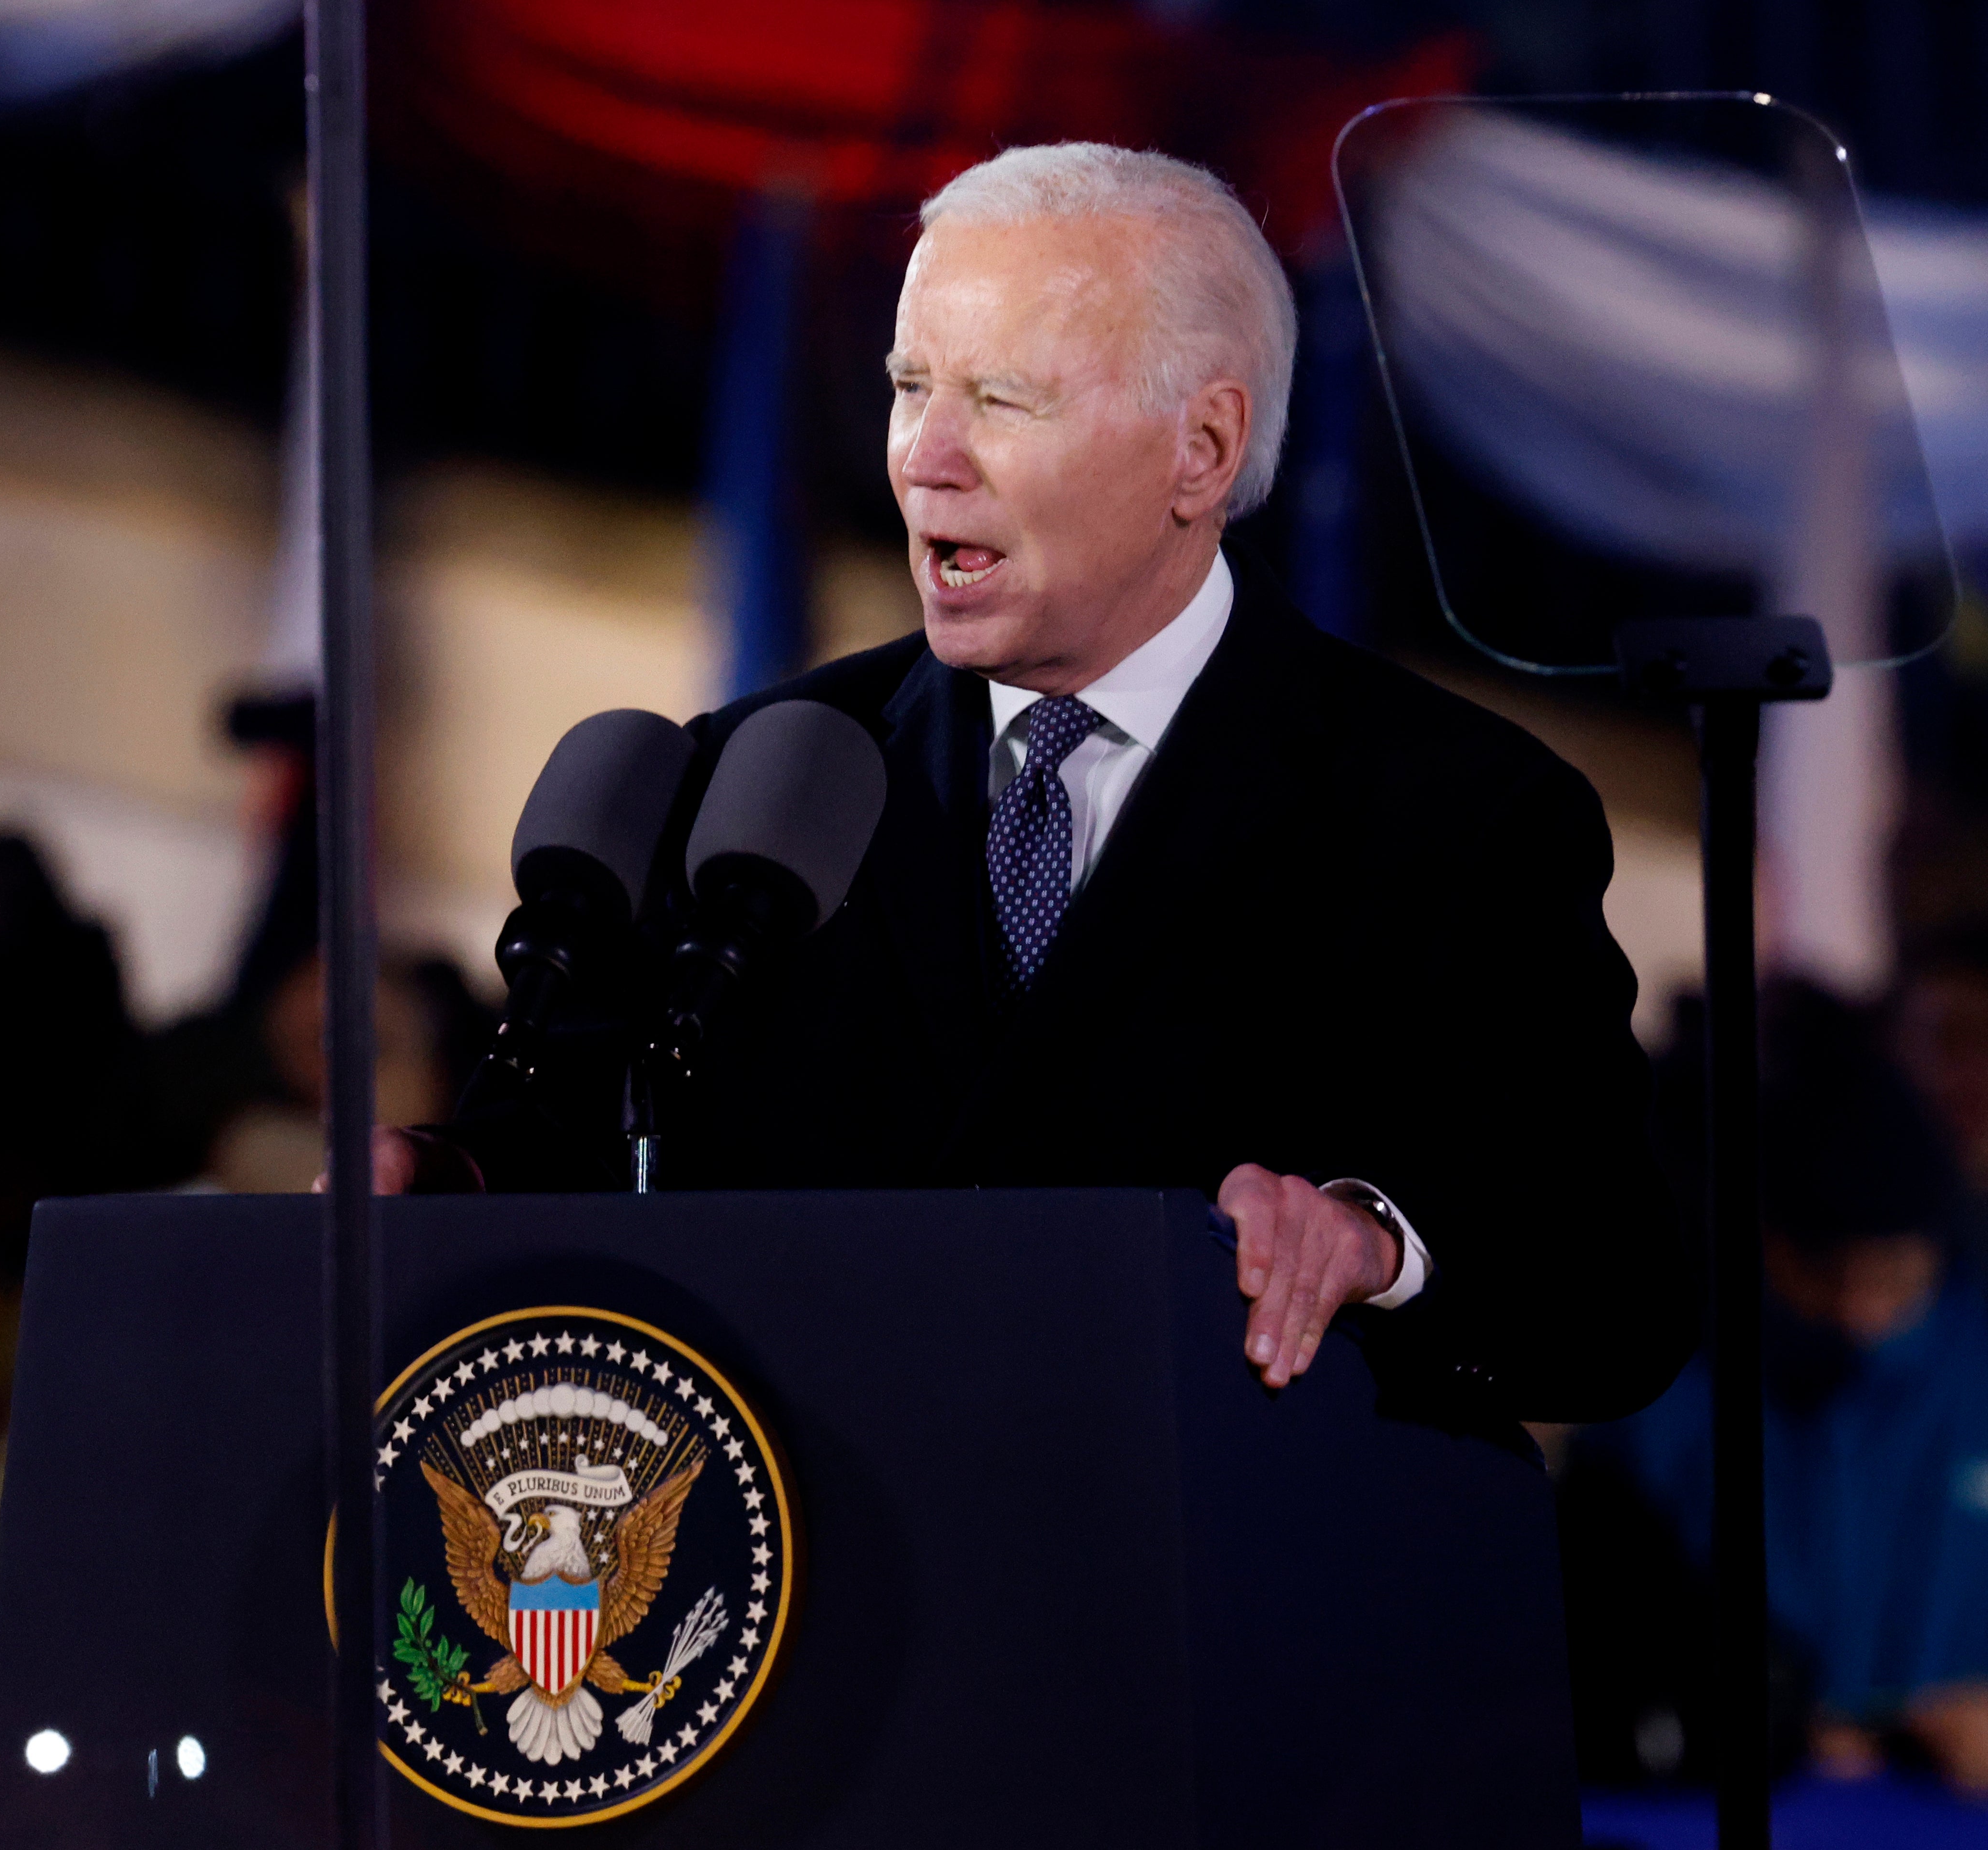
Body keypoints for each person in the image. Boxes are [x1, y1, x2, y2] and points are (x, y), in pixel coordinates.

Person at [384, 141, 1692, 1421]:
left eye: (1002, 400)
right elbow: (551, 1155)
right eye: (909, 387)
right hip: (814, 1593)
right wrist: (444, 1185)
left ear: (1201, 447)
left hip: (1208, 1601)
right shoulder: (754, 780)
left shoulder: (1451, 815)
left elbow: (1614, 1297)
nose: (924, 456)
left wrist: (1371, 1245)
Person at [1576, 984, 1988, 1791]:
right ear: (1768, 1245)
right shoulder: (1666, 1394)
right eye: (1832, 1278)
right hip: (1731, 1804)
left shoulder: (1974, 1372)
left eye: (1894, 1279)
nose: (1863, 1315)